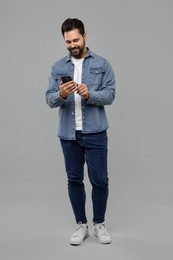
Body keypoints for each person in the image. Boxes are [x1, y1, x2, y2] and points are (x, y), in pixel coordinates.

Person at [45, 18, 116, 245]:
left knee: (100, 180)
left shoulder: (102, 64)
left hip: (95, 132)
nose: (72, 45)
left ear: (85, 36)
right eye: (68, 41)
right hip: (68, 134)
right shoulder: (58, 67)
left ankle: (99, 224)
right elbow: (49, 99)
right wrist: (62, 94)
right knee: (74, 180)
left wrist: (89, 94)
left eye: (76, 39)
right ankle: (81, 225)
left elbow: (111, 95)